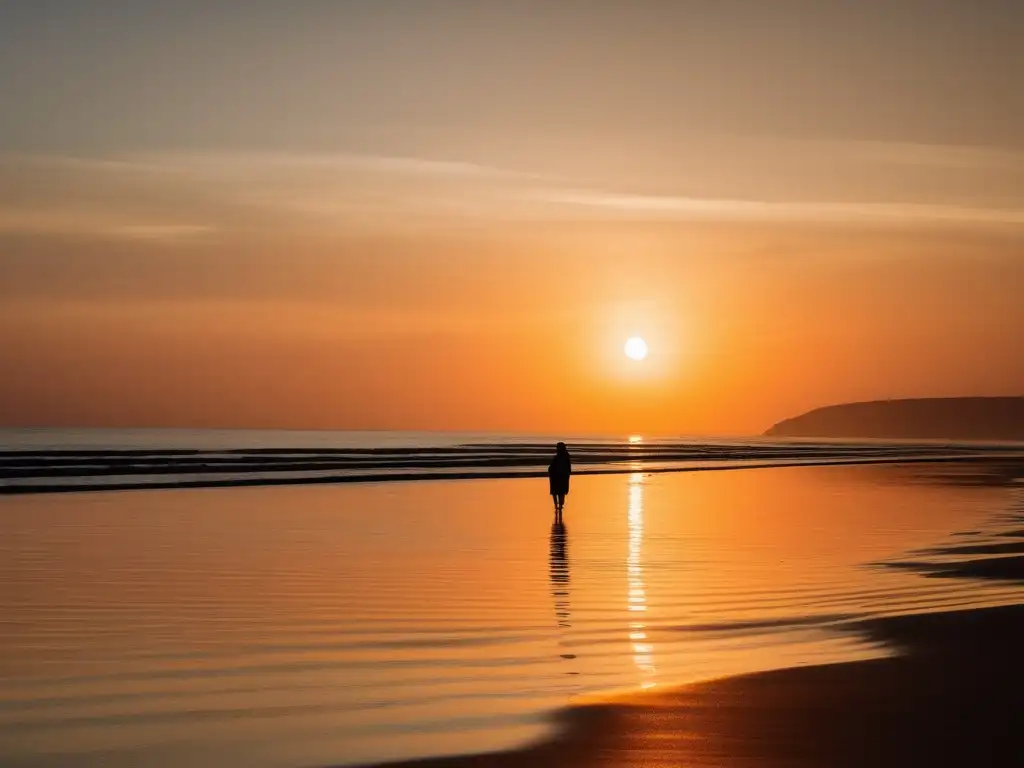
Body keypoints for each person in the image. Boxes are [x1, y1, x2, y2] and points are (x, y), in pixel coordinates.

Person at [548, 442, 572, 518]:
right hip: (561, 477)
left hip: (557, 477)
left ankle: (557, 506)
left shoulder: (559, 457)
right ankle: (559, 506)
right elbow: (569, 469)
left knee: (556, 492)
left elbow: (552, 467)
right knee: (560, 492)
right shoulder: (566, 457)